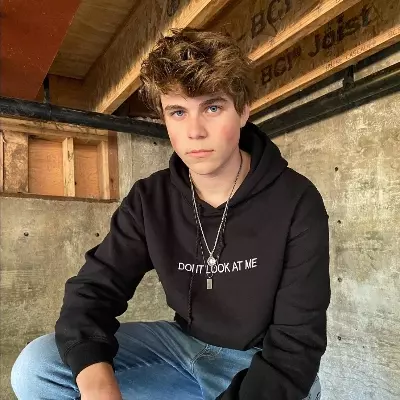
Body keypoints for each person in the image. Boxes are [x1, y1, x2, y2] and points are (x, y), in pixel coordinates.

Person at [11, 28, 330, 400]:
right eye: (178, 112)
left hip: (259, 362)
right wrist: (98, 387)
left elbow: (296, 345)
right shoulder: (150, 198)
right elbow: (93, 291)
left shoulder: (296, 200)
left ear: (243, 111)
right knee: (39, 368)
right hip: (180, 346)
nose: (195, 131)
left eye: (213, 107)